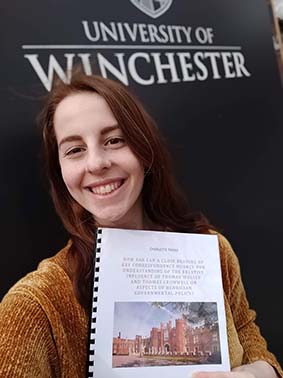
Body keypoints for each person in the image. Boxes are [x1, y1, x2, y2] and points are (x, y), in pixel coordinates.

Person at [0, 72, 282, 378]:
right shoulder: (34, 305)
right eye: (75, 149)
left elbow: (249, 336)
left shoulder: (214, 250)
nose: (96, 163)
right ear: (60, 171)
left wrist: (253, 374)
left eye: (114, 140)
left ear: (144, 149)